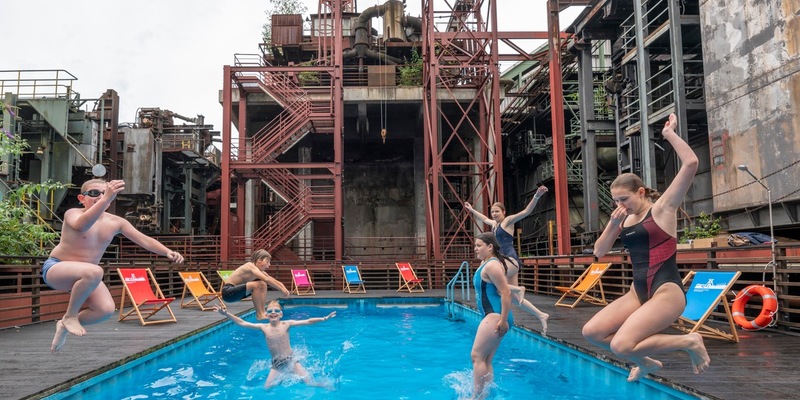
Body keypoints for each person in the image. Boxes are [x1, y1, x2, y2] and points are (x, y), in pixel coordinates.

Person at [581, 113, 709, 382]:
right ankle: (646, 362)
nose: (620, 205)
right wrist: (613, 225)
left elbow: (691, 163)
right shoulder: (623, 218)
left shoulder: (662, 209)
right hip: (638, 291)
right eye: (616, 200)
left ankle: (690, 341)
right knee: (591, 332)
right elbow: (599, 252)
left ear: (640, 192)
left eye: (624, 199)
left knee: (621, 345)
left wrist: (669, 134)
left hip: (666, 290)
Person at [43, 179, 184, 352]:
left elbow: (144, 239)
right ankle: (71, 315)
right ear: (82, 198)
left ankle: (64, 323)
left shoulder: (116, 222)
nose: (101, 196)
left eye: (105, 193)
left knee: (105, 310)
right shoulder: (73, 213)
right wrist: (104, 200)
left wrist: (167, 252)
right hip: (58, 268)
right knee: (95, 271)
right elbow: (81, 226)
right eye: (94, 193)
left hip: (87, 275)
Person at [464, 185, 550, 333]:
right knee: (515, 298)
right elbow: (484, 218)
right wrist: (471, 210)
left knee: (498, 286)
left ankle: (518, 289)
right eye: (492, 212)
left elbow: (526, 212)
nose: (494, 214)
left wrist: (537, 196)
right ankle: (541, 315)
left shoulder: (508, 221)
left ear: (504, 212)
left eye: (497, 211)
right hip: (505, 262)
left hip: (509, 260)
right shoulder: (494, 225)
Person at [214, 302, 336, 388]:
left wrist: (324, 318)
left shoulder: (286, 324)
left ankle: (325, 385)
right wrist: (226, 314)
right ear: (266, 315)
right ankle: (284, 377)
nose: (273, 313)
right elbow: (242, 322)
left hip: (291, 360)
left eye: (276, 311)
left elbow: (308, 321)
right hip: (276, 364)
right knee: (267, 387)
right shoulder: (263, 327)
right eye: (270, 311)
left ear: (281, 314)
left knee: (308, 382)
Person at [470, 232, 513, 400]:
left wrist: (503, 320)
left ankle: (475, 397)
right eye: (475, 245)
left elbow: (506, 292)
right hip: (494, 316)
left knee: (477, 357)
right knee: (486, 359)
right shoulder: (486, 263)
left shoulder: (492, 265)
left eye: (479, 245)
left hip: (495, 316)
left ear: (490, 246)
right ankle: (484, 396)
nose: (476, 249)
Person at [221, 249, 291, 320]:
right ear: (259, 260)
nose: (269, 265)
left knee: (263, 284)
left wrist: (284, 288)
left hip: (237, 293)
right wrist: (280, 289)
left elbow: (271, 279)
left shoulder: (258, 270)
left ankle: (263, 312)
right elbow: (266, 279)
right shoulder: (250, 266)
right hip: (228, 292)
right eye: (267, 262)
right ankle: (259, 314)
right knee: (256, 285)